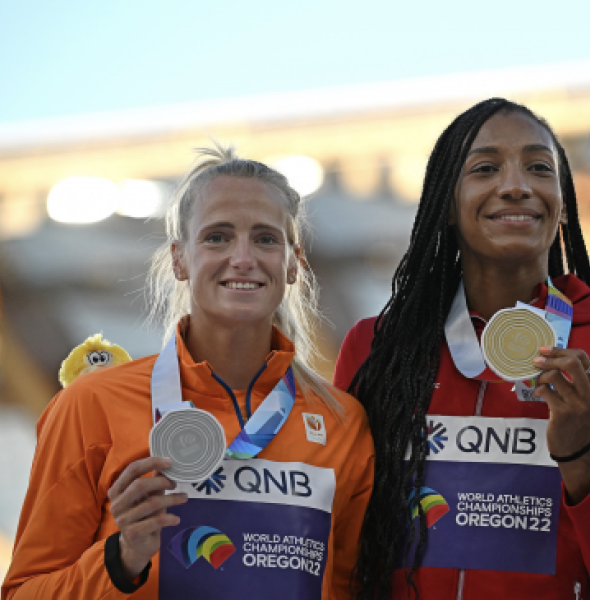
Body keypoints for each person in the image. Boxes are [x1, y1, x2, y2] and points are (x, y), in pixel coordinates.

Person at [334, 97, 590, 600]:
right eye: (485, 168)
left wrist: (578, 455)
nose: (516, 186)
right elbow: (342, 548)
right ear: (446, 203)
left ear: (563, 204)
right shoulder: (376, 348)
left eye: (539, 168)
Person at [2, 146, 374, 600]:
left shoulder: (341, 422)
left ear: (293, 262)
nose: (243, 258)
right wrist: (120, 559)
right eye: (217, 237)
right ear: (179, 258)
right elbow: (23, 592)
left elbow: (350, 589)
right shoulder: (93, 404)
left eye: (265, 238)